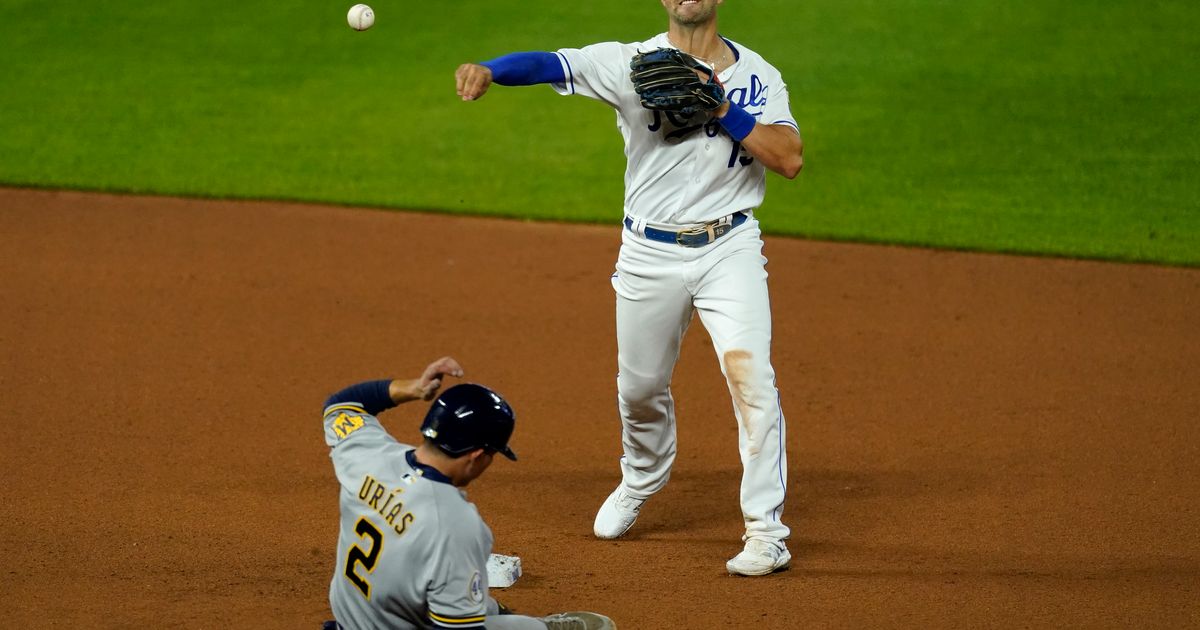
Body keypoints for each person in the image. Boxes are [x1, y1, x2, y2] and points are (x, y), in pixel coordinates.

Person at [455, 0, 802, 576]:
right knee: (640, 389)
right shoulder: (627, 63)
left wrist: (721, 107)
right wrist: (491, 68)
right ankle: (641, 480)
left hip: (730, 247)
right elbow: (549, 63)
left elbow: (788, 158)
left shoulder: (757, 76)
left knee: (753, 382)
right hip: (647, 253)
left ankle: (767, 532)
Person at [321, 356, 616, 629]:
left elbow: (342, 404)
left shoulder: (366, 454)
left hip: (352, 621)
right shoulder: (455, 523)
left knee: (482, 605)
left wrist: (414, 389)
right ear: (477, 456)